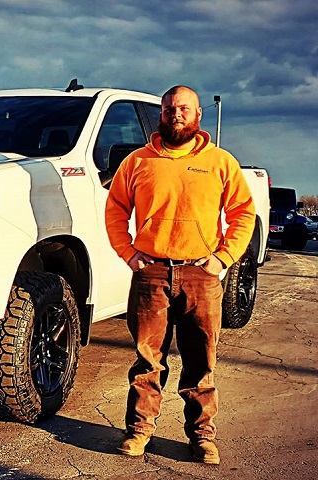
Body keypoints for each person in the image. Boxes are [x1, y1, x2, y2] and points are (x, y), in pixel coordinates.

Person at [104, 85, 256, 465]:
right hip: (151, 273)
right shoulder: (138, 162)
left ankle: (202, 437)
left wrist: (222, 259)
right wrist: (129, 253)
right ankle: (139, 431)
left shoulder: (220, 162)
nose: (176, 114)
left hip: (200, 276)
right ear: (161, 113)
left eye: (184, 109)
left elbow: (243, 213)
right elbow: (115, 210)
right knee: (146, 361)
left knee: (201, 360)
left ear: (198, 114)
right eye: (170, 108)